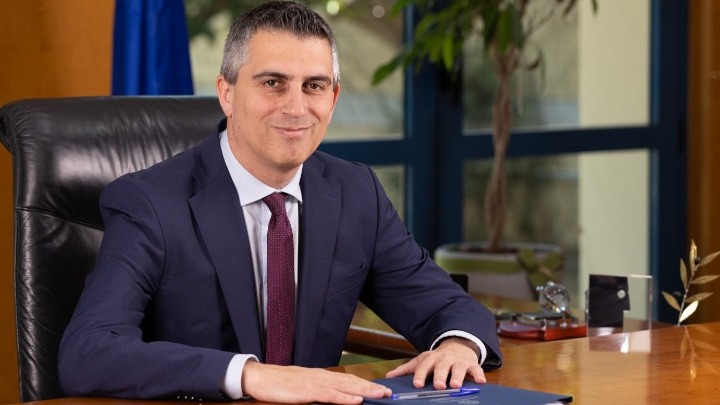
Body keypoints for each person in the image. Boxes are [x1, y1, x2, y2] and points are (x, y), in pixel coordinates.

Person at [58, 1, 501, 404]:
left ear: (333, 99)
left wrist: (458, 344)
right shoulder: (150, 202)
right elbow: (88, 353)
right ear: (227, 93)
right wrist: (249, 375)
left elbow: (449, 307)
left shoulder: (356, 192)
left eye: (314, 86)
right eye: (273, 83)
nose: (296, 107)